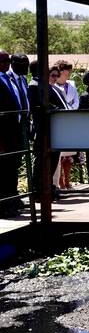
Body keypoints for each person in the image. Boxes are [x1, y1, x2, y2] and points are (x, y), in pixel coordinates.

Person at [27, 60, 64, 200]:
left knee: (52, 159)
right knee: (42, 161)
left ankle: (47, 187)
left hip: (51, 129)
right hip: (43, 129)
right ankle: (38, 191)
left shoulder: (42, 84)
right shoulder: (35, 85)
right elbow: (41, 106)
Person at [0, 50, 26, 217]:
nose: (7, 63)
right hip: (2, 134)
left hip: (14, 132)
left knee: (11, 169)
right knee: (3, 171)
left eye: (8, 60)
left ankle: (11, 200)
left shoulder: (9, 79)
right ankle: (3, 206)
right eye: (3, 61)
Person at [53, 60, 79, 190]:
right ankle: (59, 182)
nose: (69, 73)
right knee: (59, 156)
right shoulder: (53, 86)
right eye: (66, 70)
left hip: (71, 120)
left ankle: (67, 181)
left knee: (69, 155)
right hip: (61, 121)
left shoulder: (72, 84)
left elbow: (76, 101)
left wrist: (70, 109)